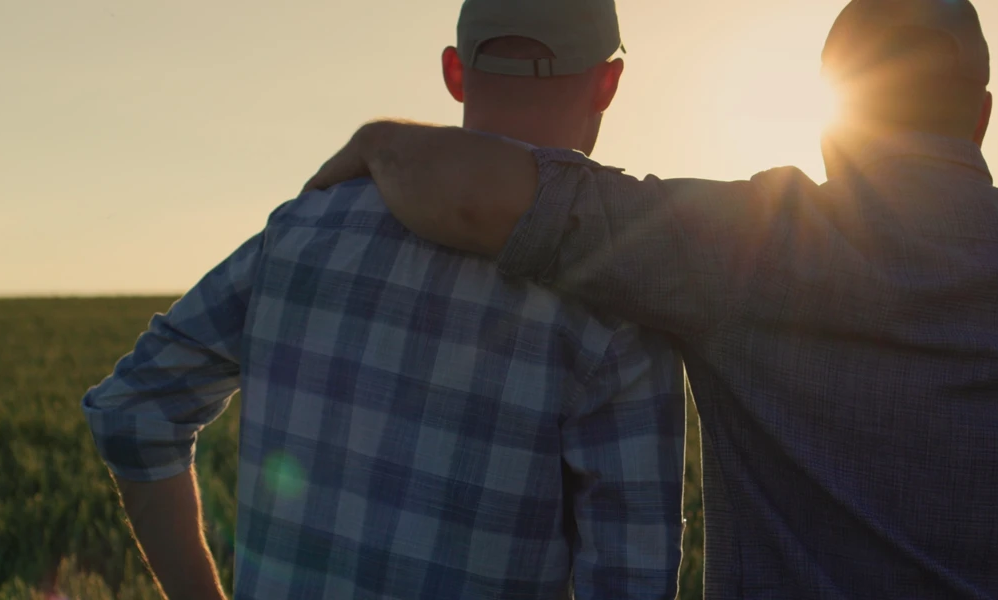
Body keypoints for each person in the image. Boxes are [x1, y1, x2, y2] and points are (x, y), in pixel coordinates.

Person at [300, 0, 998, 598]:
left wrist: (389, 139)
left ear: (831, 115)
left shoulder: (749, 247)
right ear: (983, 115)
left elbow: (484, 195)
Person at [82, 1, 688, 598]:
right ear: (608, 84)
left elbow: (134, 408)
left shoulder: (304, 228)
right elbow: (632, 581)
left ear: (454, 72)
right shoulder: (616, 305)